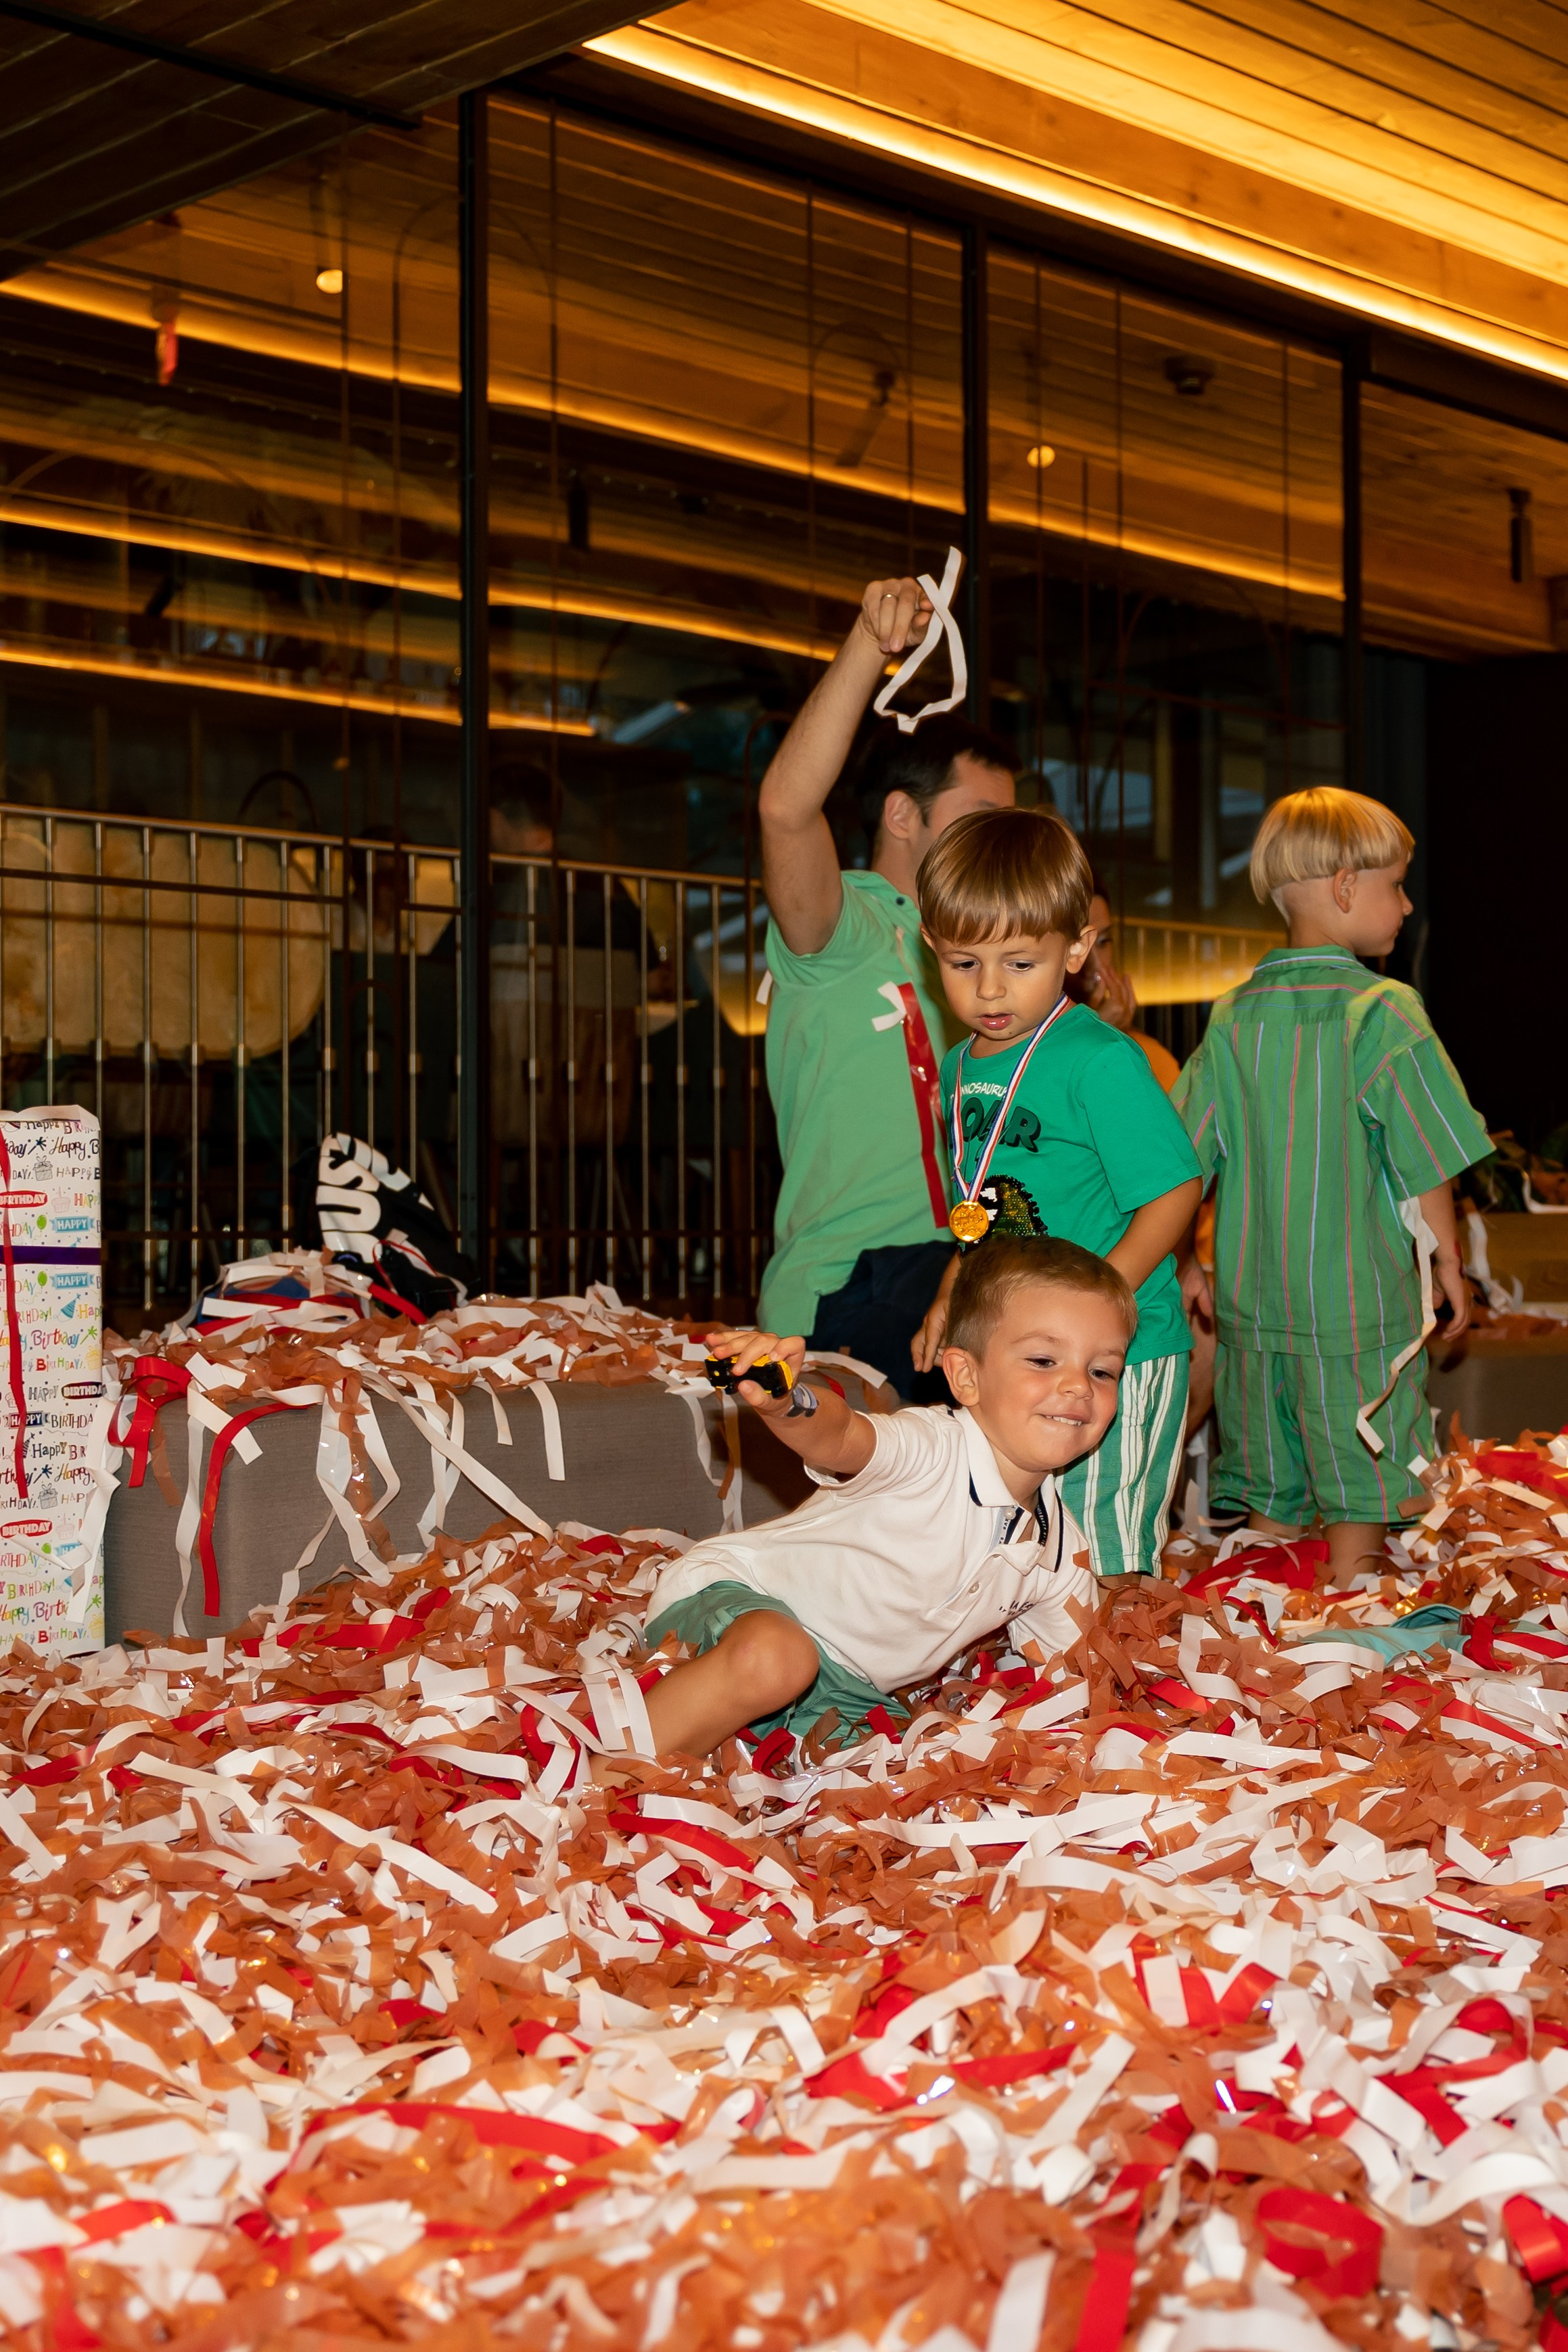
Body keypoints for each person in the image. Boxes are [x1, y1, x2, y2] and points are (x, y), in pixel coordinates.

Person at [641, 1237, 1130, 1759]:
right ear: (966, 1376)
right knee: (778, 1657)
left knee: (910, 1764)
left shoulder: (1058, 1552)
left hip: (843, 1690)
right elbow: (844, 1436)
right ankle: (604, 1779)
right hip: (729, 1604)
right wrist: (788, 1401)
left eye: (1102, 1370)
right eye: (1043, 1359)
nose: (1079, 1385)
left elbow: (1075, 1684)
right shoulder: (931, 1446)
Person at [1171, 786, 1491, 1581]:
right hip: (1359, 1320)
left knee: (1271, 1508)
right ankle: (1349, 1649)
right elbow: (1425, 1158)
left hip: (1252, 1319)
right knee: (1357, 1506)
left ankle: (1259, 1660)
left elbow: (1180, 1162)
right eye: (1393, 884)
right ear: (1345, 887)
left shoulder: (1230, 1017)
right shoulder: (1382, 1011)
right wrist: (1450, 1264)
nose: (1406, 904)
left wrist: (1184, 1262)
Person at [910, 808, 1202, 1577]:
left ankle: (1113, 1681)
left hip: (1118, 1353)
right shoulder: (957, 1065)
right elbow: (979, 1205)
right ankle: (1044, 1677)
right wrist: (953, 1290)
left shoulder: (1096, 1059)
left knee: (1103, 1531)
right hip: (1019, 1343)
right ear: (933, 950)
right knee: (1024, 1523)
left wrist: (1108, 1290)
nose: (989, 989)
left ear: (1073, 950)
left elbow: (1174, 1188)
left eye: (1018, 962)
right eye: (964, 964)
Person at [756, 575, 1015, 1393]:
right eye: (979, 822)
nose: (998, 848)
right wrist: (868, 649)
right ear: (903, 816)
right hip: (849, 1284)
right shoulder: (845, 928)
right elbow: (786, 813)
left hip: (958, 1265)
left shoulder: (983, 954)